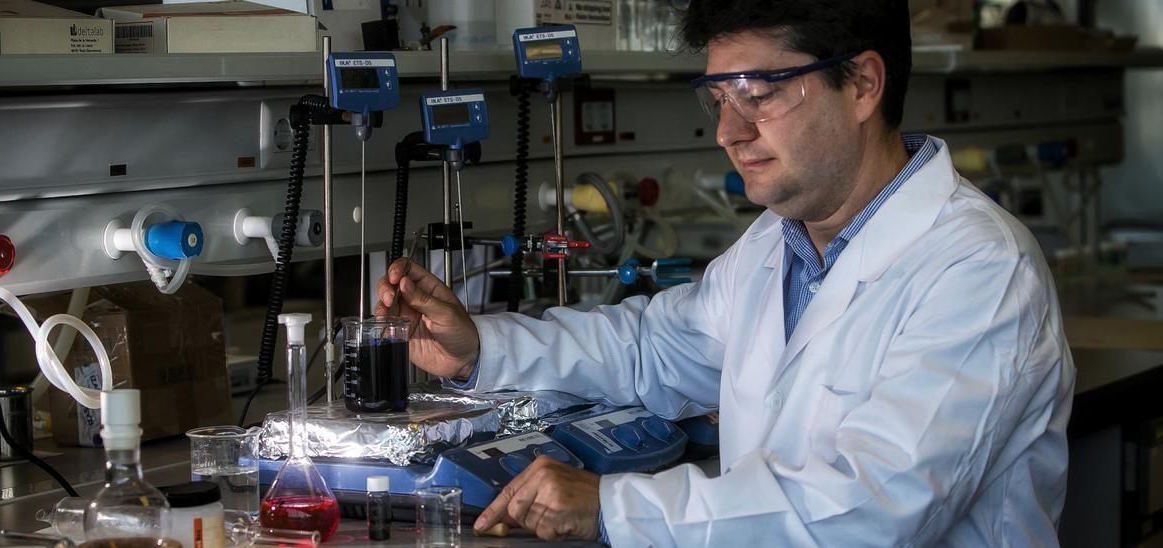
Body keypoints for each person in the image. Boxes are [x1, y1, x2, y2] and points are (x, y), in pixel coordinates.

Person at [376, 1, 1075, 545]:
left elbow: (873, 509)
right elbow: (653, 348)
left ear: (862, 83)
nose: (728, 131)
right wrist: (482, 349)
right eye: (718, 97)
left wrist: (615, 507)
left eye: (758, 92)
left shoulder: (978, 269)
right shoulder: (778, 243)